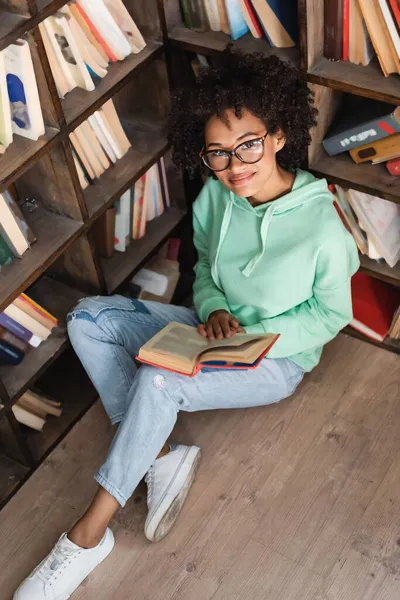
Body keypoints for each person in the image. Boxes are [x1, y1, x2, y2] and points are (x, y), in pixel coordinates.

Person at [14, 49, 359, 600]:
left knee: (158, 379)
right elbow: (203, 265)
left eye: (248, 145)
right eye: (218, 154)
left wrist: (262, 341)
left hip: (279, 357)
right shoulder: (218, 197)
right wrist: (216, 308)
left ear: (276, 135)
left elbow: (331, 314)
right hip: (214, 329)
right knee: (88, 319)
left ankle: (85, 538)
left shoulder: (324, 228)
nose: (235, 165)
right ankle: (160, 457)